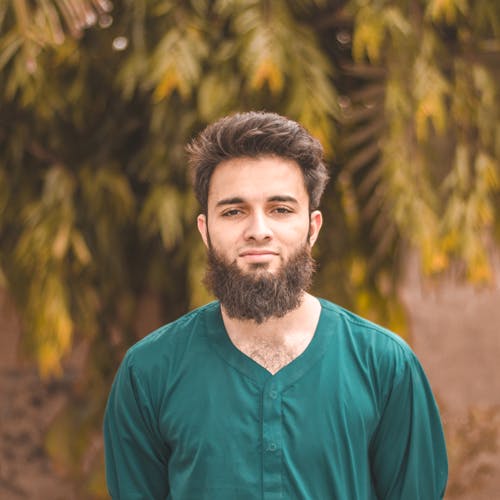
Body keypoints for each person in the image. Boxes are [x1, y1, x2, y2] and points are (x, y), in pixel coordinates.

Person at [103, 111, 448, 499]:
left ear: (313, 228)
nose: (258, 230)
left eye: (280, 209)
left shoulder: (385, 366)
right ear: (205, 230)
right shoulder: (148, 373)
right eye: (233, 211)